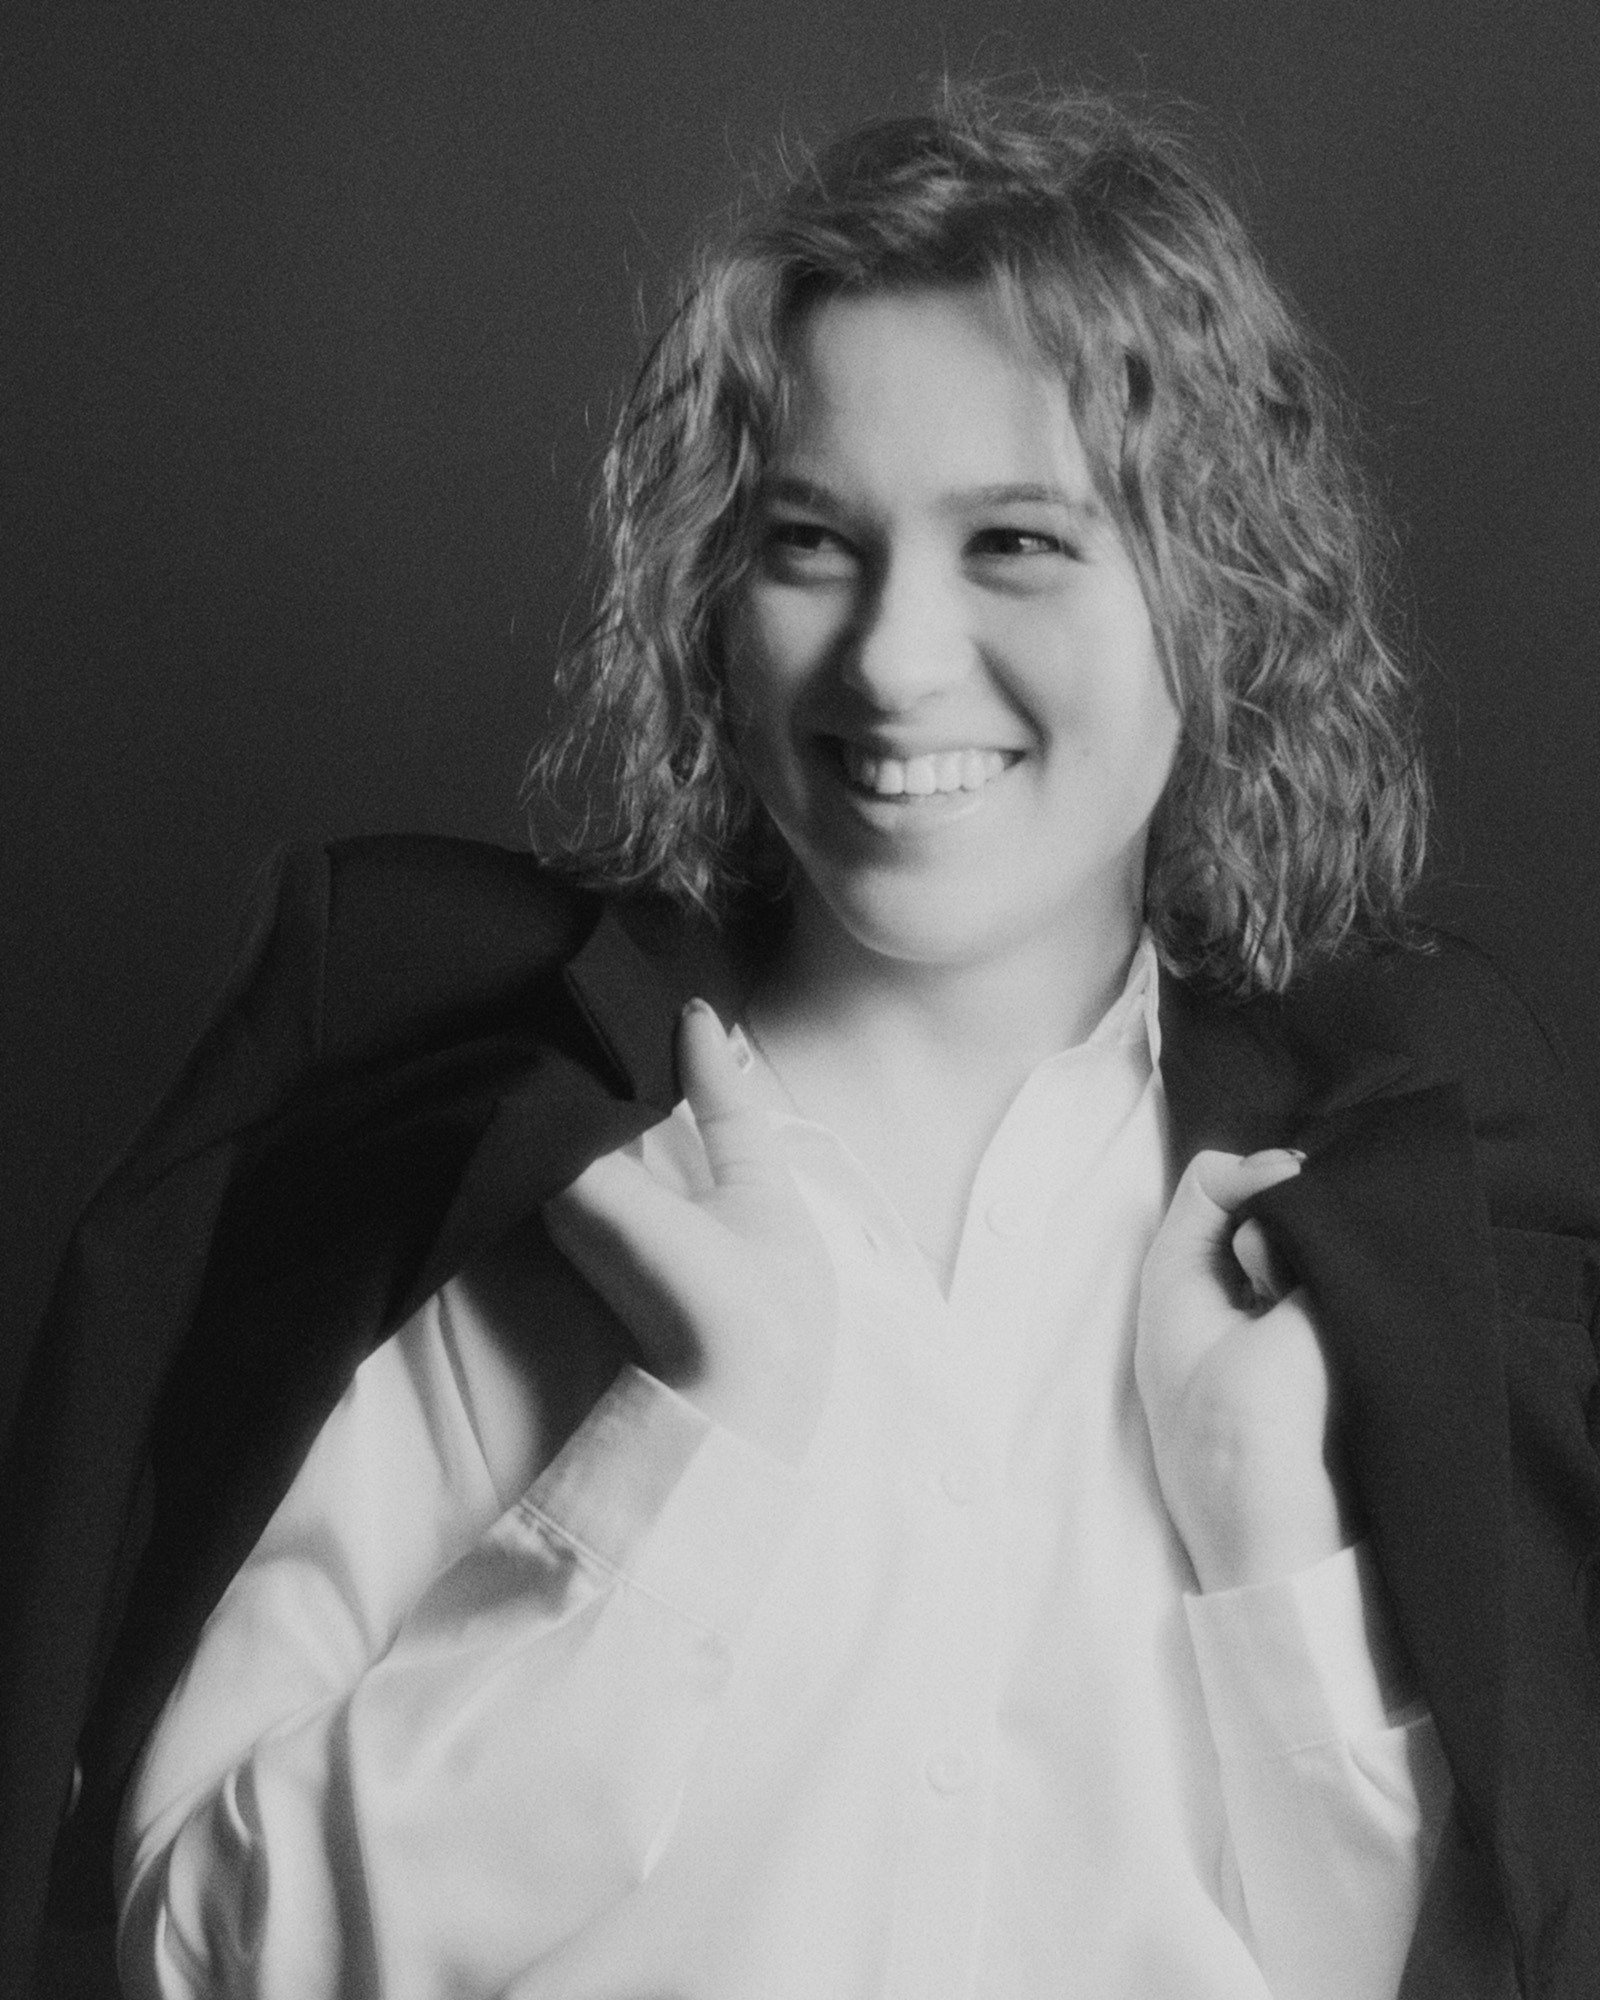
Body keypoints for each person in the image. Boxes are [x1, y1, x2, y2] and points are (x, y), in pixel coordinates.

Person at [7, 83, 1598, 2000]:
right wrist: (687, 1448)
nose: (895, 662)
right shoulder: (507, 1146)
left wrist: (1272, 1547)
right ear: (711, 597)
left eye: (1018, 540)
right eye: (813, 542)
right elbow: (195, 1957)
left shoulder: (1397, 1217)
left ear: (1218, 590)